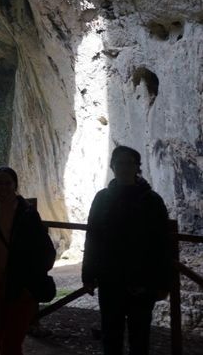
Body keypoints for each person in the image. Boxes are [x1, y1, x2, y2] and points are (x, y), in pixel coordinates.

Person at [82, 145, 171, 355]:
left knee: (139, 338)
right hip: (110, 280)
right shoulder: (101, 199)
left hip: (142, 280)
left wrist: (163, 282)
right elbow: (92, 238)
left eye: (128, 163)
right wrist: (88, 275)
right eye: (119, 163)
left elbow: (162, 244)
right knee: (111, 336)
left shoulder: (152, 201)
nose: (124, 167)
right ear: (113, 167)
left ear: (137, 167)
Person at [0, 166, 55, 355]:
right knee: (4, 339)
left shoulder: (28, 214)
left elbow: (47, 252)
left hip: (21, 287)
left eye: (7, 183)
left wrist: (31, 280)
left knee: (10, 342)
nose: (3, 187)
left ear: (15, 186)